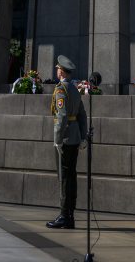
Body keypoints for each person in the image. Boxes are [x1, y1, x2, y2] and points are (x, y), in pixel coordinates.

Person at [46, 54, 87, 230]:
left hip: (65, 138)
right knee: (71, 177)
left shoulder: (61, 89)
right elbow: (82, 114)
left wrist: (57, 140)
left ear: (61, 71)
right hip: (75, 138)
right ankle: (70, 215)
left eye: (57, 69)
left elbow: (61, 117)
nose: (56, 71)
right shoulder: (74, 89)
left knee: (64, 177)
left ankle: (64, 215)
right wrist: (83, 136)